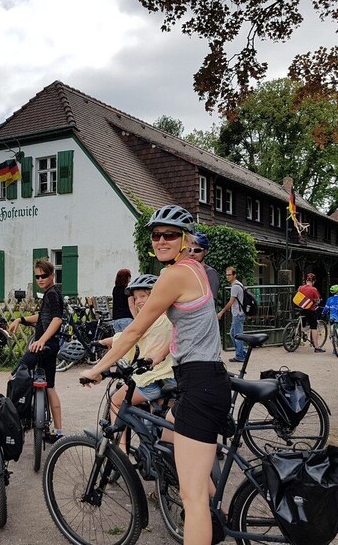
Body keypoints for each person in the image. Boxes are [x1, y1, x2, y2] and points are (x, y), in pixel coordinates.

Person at [80, 204, 230, 545]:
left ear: (184, 239)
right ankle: (219, 514)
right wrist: (158, 356)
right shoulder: (196, 270)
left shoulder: (174, 275)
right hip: (203, 380)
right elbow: (187, 331)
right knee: (171, 444)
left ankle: (206, 517)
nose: (161, 240)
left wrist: (98, 370)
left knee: (192, 501)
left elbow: (133, 331)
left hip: (201, 385)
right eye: (156, 234)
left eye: (170, 235)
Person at [98, 274, 175, 431]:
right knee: (159, 417)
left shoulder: (152, 319)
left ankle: (120, 450)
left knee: (116, 401)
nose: (139, 301)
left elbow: (128, 337)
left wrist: (102, 342)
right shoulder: (169, 317)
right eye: (136, 297)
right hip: (170, 377)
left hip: (153, 378)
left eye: (143, 296)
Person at [9, 259, 65, 442]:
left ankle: (15, 422)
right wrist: (21, 320)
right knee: (49, 387)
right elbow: (42, 317)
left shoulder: (50, 295)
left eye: (44, 275)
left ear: (52, 275)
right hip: (52, 345)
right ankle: (58, 433)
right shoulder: (53, 293)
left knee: (16, 376)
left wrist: (41, 340)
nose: (40, 279)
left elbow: (57, 320)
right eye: (37, 276)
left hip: (45, 345)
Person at [217, 267, 247, 362]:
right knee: (233, 334)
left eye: (229, 275)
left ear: (234, 275)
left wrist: (221, 312)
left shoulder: (235, 286)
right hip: (239, 313)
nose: (227, 277)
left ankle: (240, 355)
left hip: (238, 313)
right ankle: (241, 352)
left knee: (237, 335)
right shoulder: (238, 284)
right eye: (227, 274)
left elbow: (231, 302)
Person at [188, 232, 220, 310]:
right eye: (189, 250)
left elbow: (211, 303)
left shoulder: (210, 273)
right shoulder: (186, 271)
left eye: (197, 250)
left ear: (205, 252)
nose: (192, 253)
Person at [296, 273, 325, 353]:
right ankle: (316, 347)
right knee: (313, 327)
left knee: (302, 322)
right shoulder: (314, 289)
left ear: (306, 280)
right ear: (314, 281)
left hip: (300, 308)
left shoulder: (300, 287)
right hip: (310, 309)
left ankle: (296, 338)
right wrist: (317, 302)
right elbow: (317, 300)